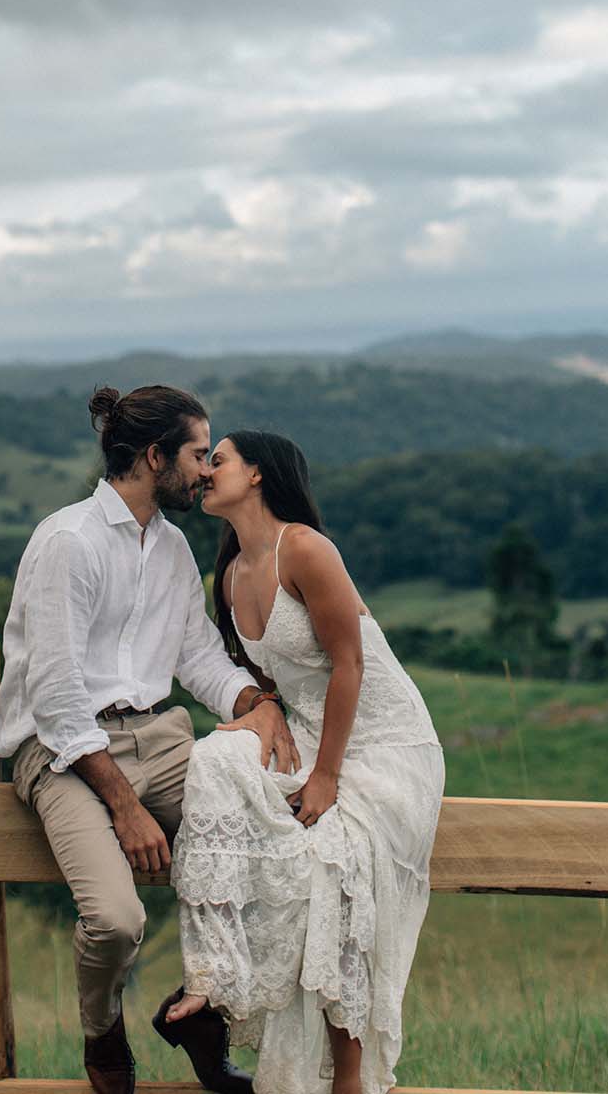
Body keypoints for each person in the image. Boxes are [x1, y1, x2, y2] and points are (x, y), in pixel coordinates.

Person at [0, 385, 299, 1094]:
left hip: (159, 738)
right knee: (116, 919)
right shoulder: (67, 541)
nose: (205, 469)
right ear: (154, 455)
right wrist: (125, 806)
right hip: (63, 754)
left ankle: (200, 1010)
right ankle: (103, 1034)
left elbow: (195, 657)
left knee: (271, 851)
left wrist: (256, 702)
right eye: (196, 453)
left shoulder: (169, 548)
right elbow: (59, 697)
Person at [154, 431, 445, 1094]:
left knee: (329, 858)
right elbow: (278, 678)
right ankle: (214, 977)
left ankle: (345, 1074)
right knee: (218, 757)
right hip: (314, 733)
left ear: (257, 474)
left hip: (384, 744)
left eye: (217, 459)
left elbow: (350, 665)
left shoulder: (306, 549)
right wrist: (262, 710)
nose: (204, 473)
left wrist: (326, 777)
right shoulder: (228, 576)